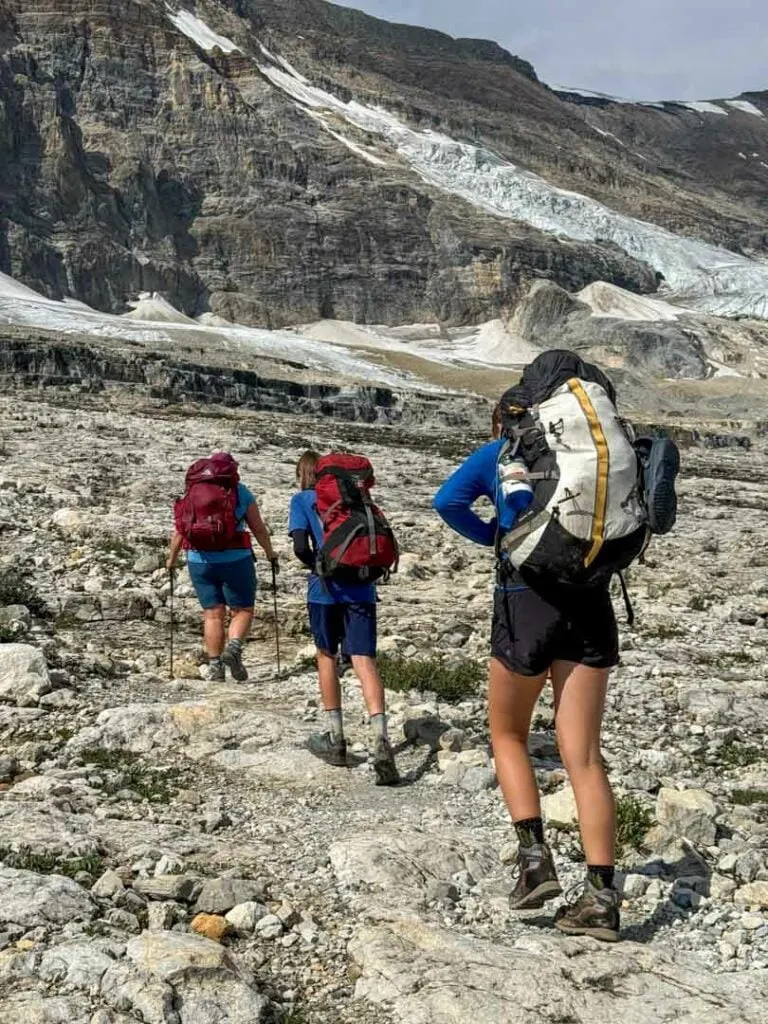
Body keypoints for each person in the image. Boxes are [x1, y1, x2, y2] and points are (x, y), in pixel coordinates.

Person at [433, 405, 622, 942]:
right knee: (583, 756)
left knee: (508, 733)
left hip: (525, 602)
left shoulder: (503, 454)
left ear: (504, 423)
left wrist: (496, 535)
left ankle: (535, 861)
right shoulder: (596, 457)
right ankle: (602, 897)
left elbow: (446, 501)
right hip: (592, 605)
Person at [289, 450, 399, 786]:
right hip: (362, 588)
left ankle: (335, 739)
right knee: (364, 661)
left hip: (324, 590)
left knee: (327, 657)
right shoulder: (360, 501)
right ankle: (381, 738)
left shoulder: (302, 501)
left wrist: (319, 565)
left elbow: (299, 547)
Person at [167, 452, 279, 682]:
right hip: (236, 558)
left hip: (198, 559)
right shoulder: (240, 491)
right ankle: (234, 648)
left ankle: (216, 665)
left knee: (212, 614)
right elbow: (257, 527)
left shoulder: (193, 491)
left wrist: (171, 559)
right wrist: (270, 553)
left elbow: (181, 528)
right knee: (243, 610)